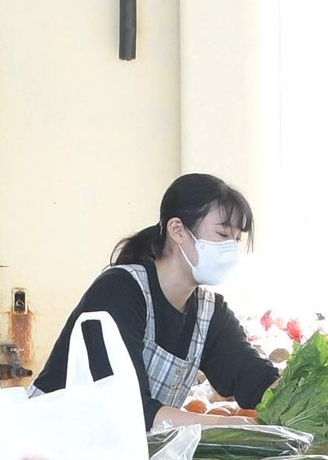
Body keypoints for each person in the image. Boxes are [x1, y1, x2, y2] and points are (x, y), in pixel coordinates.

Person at [33, 173, 278, 426]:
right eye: (223, 235)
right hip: (51, 446)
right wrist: (234, 426)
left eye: (236, 239)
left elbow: (254, 379)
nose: (231, 249)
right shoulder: (119, 291)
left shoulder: (209, 313)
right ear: (177, 230)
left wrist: (305, 394)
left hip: (114, 454)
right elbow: (126, 408)